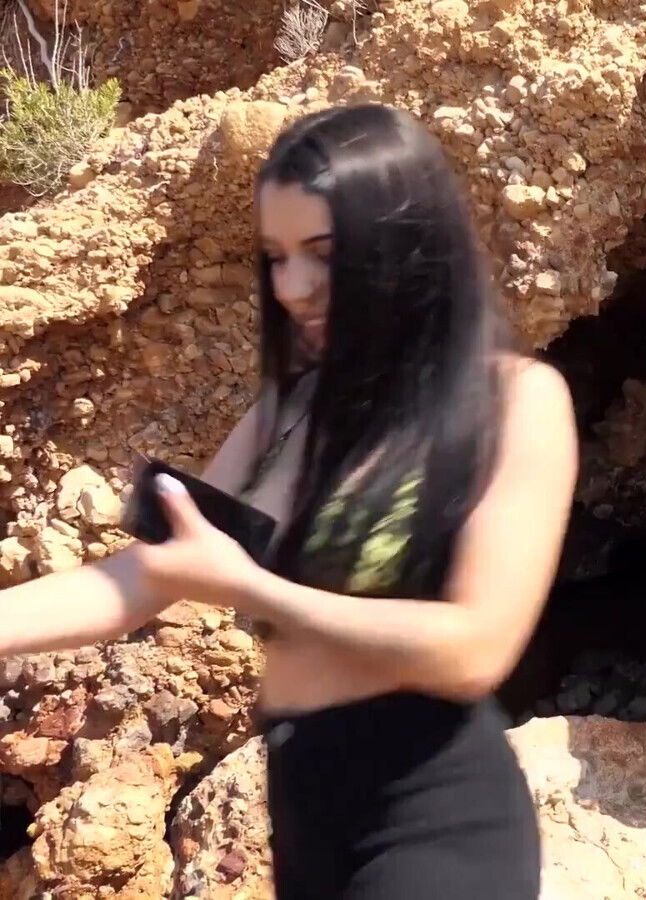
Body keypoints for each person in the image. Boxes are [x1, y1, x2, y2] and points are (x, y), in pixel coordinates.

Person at [0, 103, 577, 897]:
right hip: (305, 807)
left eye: (324, 253)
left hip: (434, 812)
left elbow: (476, 649)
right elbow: (141, 579)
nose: (292, 286)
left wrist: (249, 586)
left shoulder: (516, 400)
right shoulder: (287, 410)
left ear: (407, 243)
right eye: (274, 257)